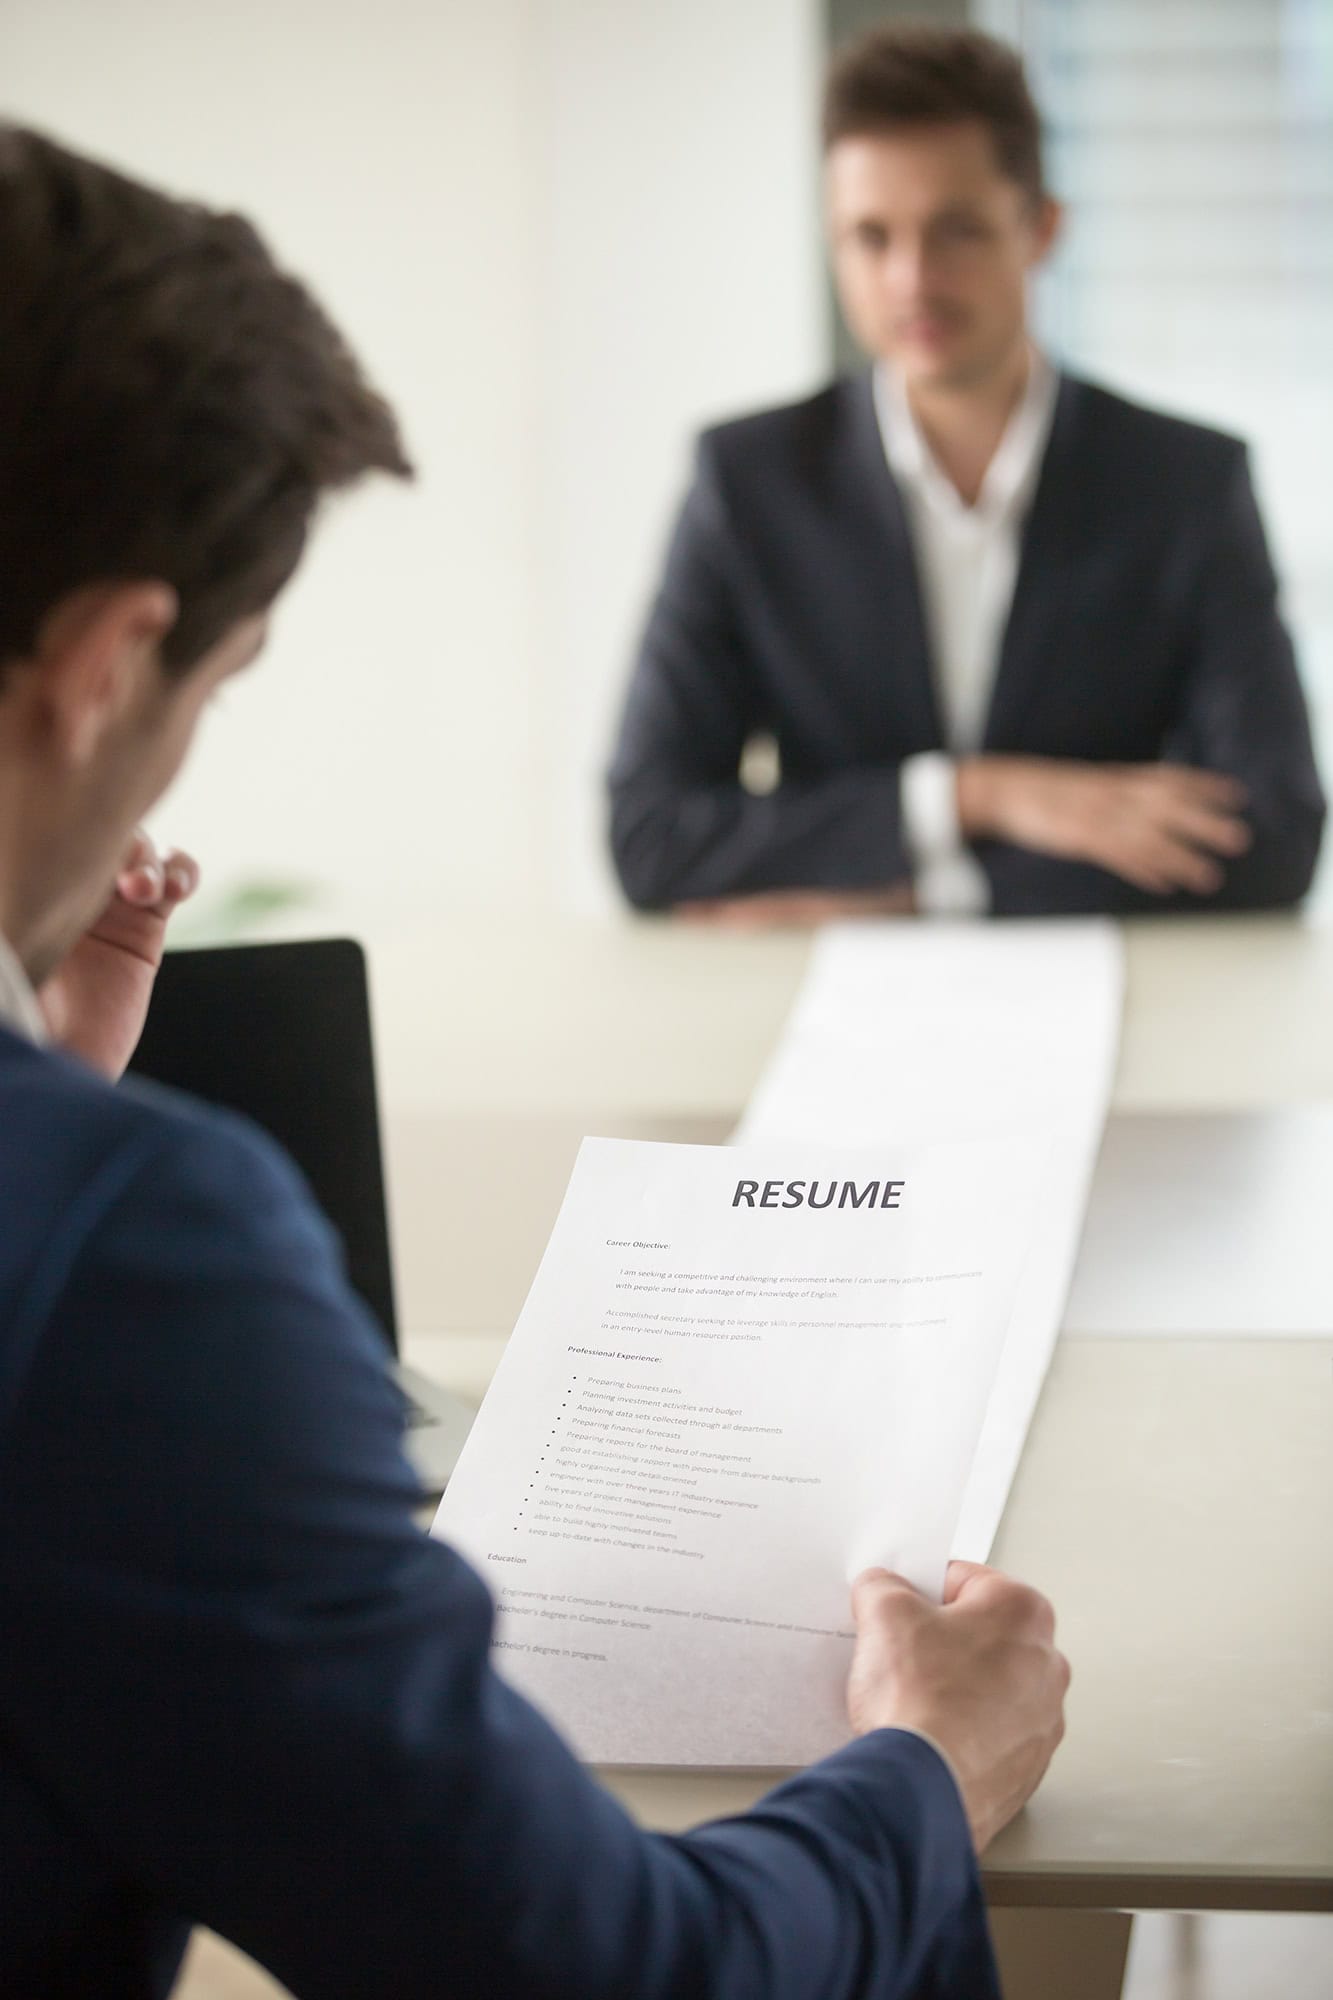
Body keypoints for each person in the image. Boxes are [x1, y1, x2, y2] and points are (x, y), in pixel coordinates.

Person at [0, 127, 1068, 1999]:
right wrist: (924, 1765)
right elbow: (609, 1973)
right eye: (213, 688)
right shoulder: (136, 1250)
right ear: (106, 664)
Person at [608, 25, 1326, 925]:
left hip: (1122, 1005)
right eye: (870, 238)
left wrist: (923, 891)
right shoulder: (747, 482)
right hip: (833, 1018)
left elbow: (1277, 834)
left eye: (956, 232)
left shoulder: (1185, 483)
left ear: (1041, 229)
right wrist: (976, 797)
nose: (911, 281)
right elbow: (649, 835)